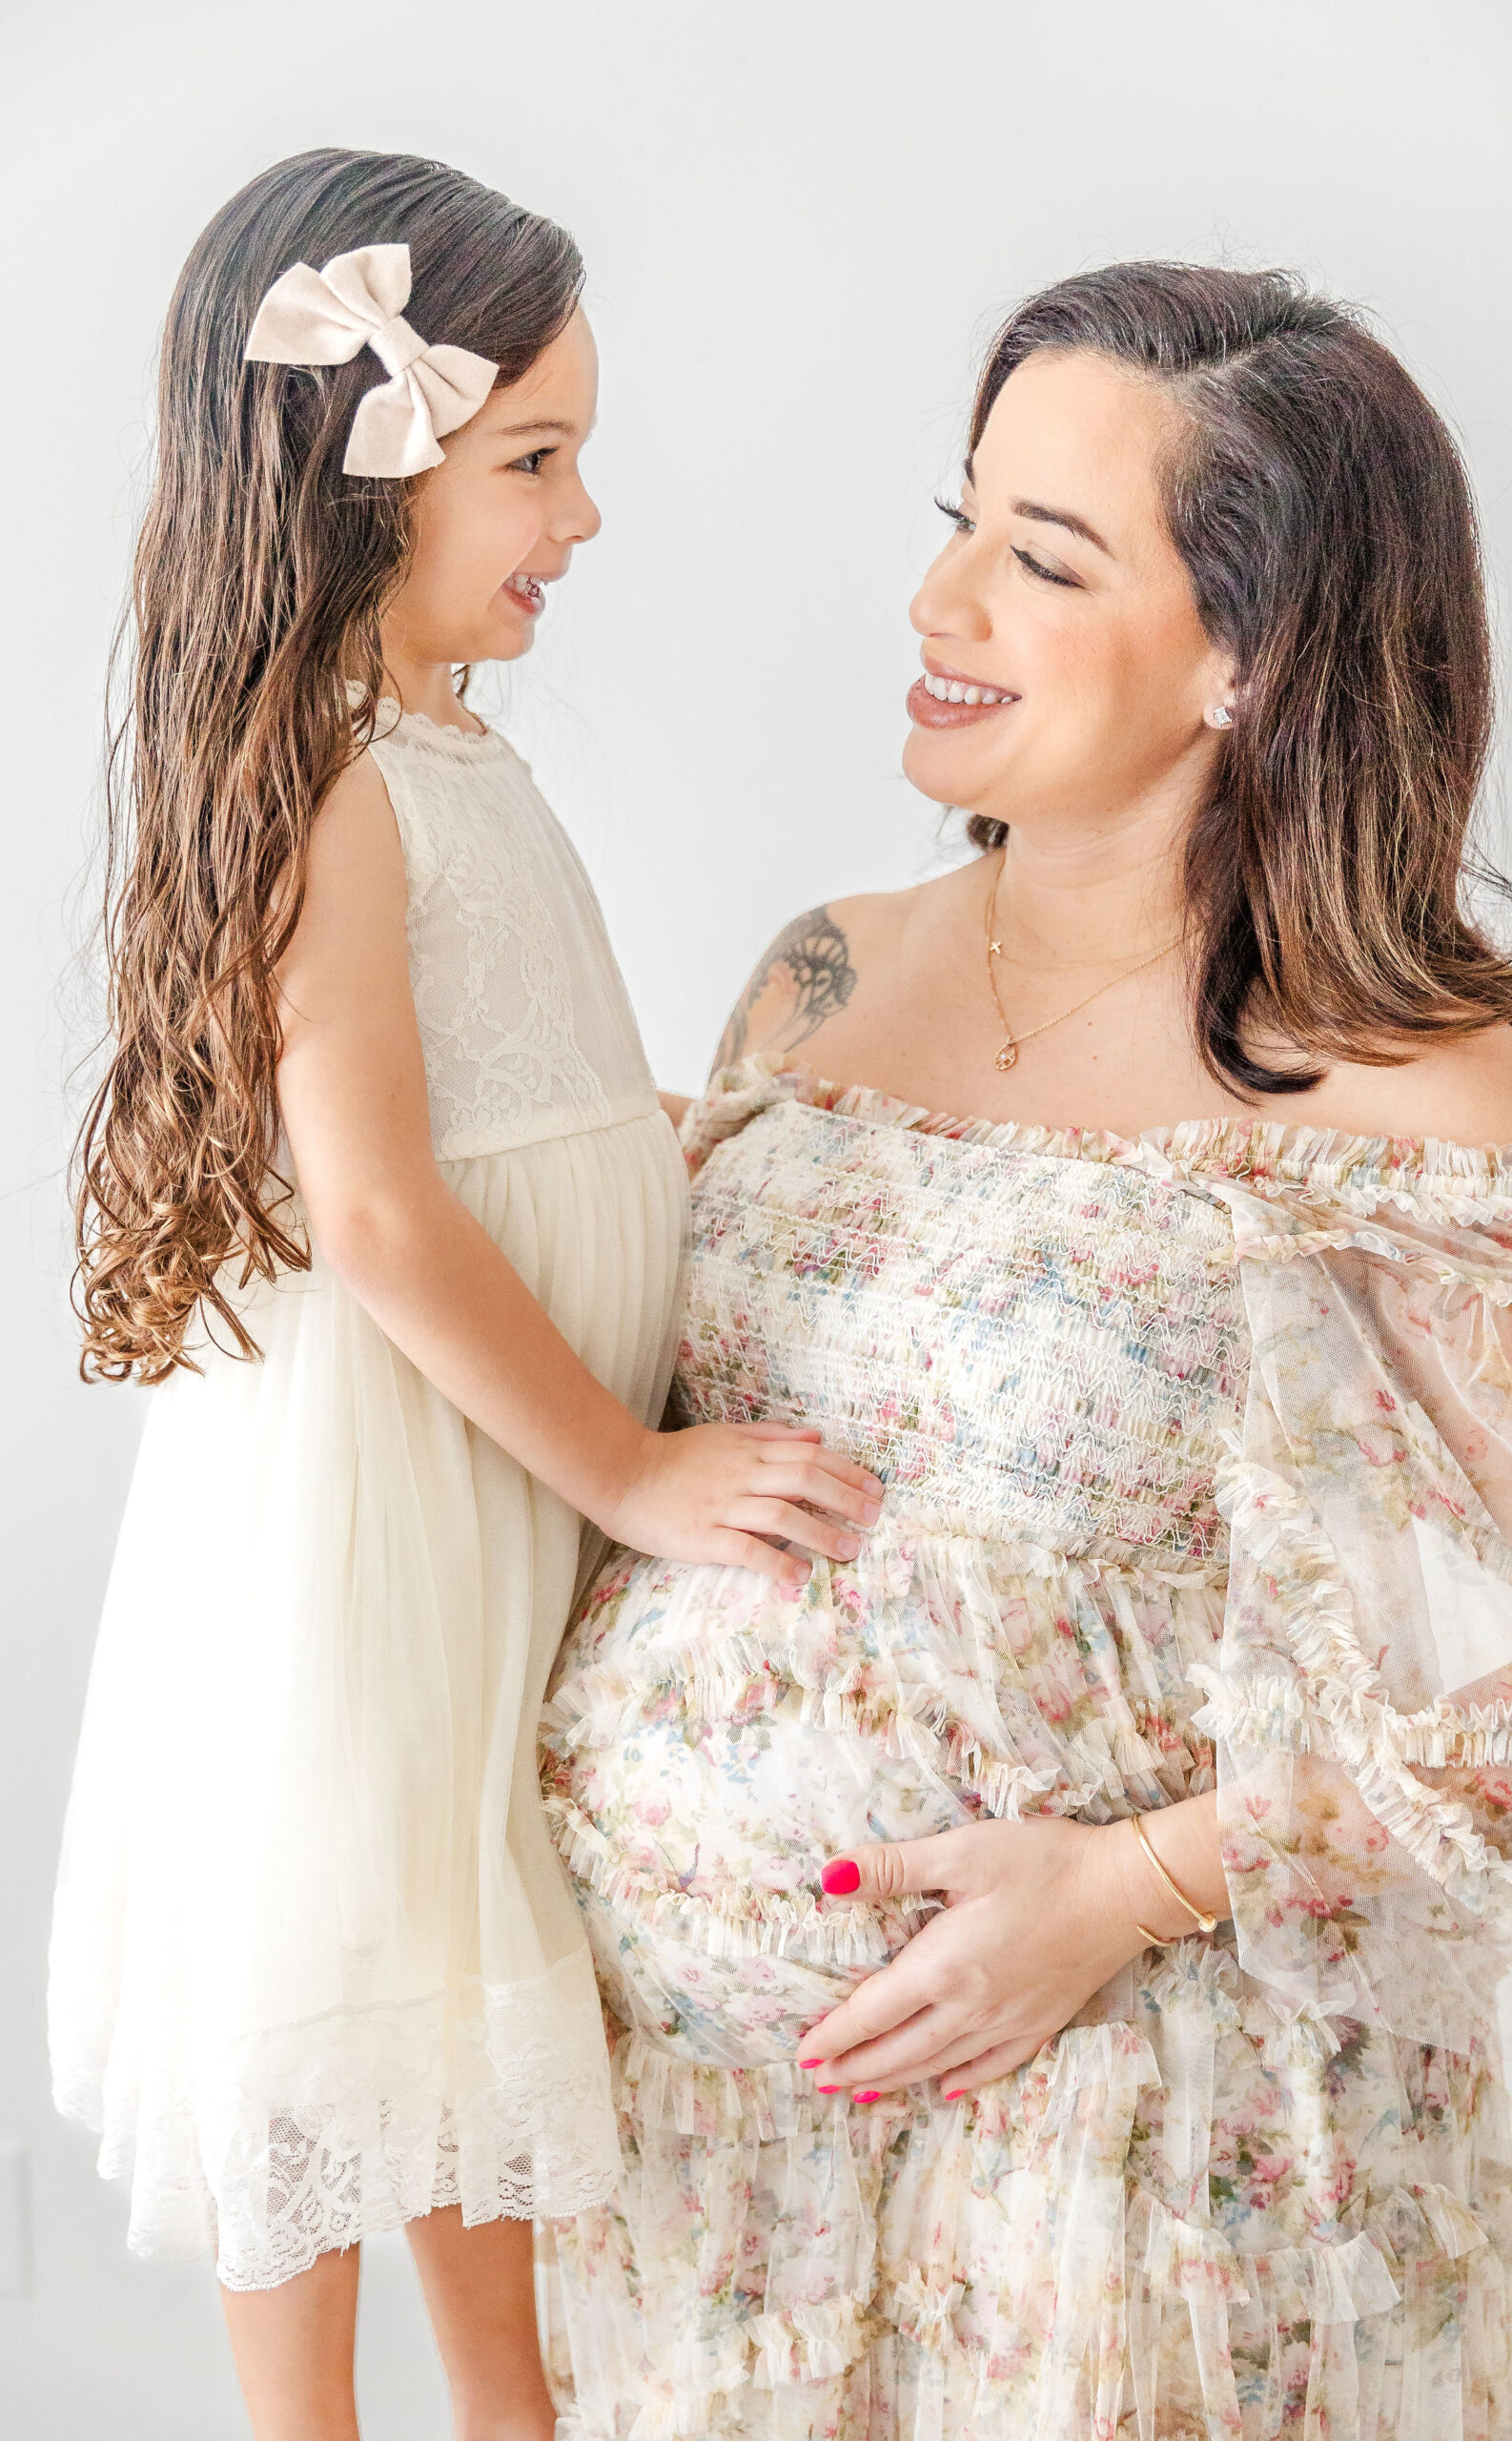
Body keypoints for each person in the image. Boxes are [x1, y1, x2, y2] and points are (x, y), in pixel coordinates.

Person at [539, 264, 1512, 2439]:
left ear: (1249, 654)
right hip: (709, 2178)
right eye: (957, 519)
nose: (939, 596)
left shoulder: (1402, 1091)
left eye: (1040, 557)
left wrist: (1127, 1887)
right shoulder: (818, 976)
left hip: (1135, 2178)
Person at [51, 147, 877, 2441]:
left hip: (479, 1470)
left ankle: (519, 2414)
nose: (582, 515)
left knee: (451, 1957)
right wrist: (624, 1462)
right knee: (346, 1944)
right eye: (535, 458)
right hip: (398, 1479)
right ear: (359, 467)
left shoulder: (442, 746)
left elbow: (531, 1092)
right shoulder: (330, 777)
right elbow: (387, 1210)